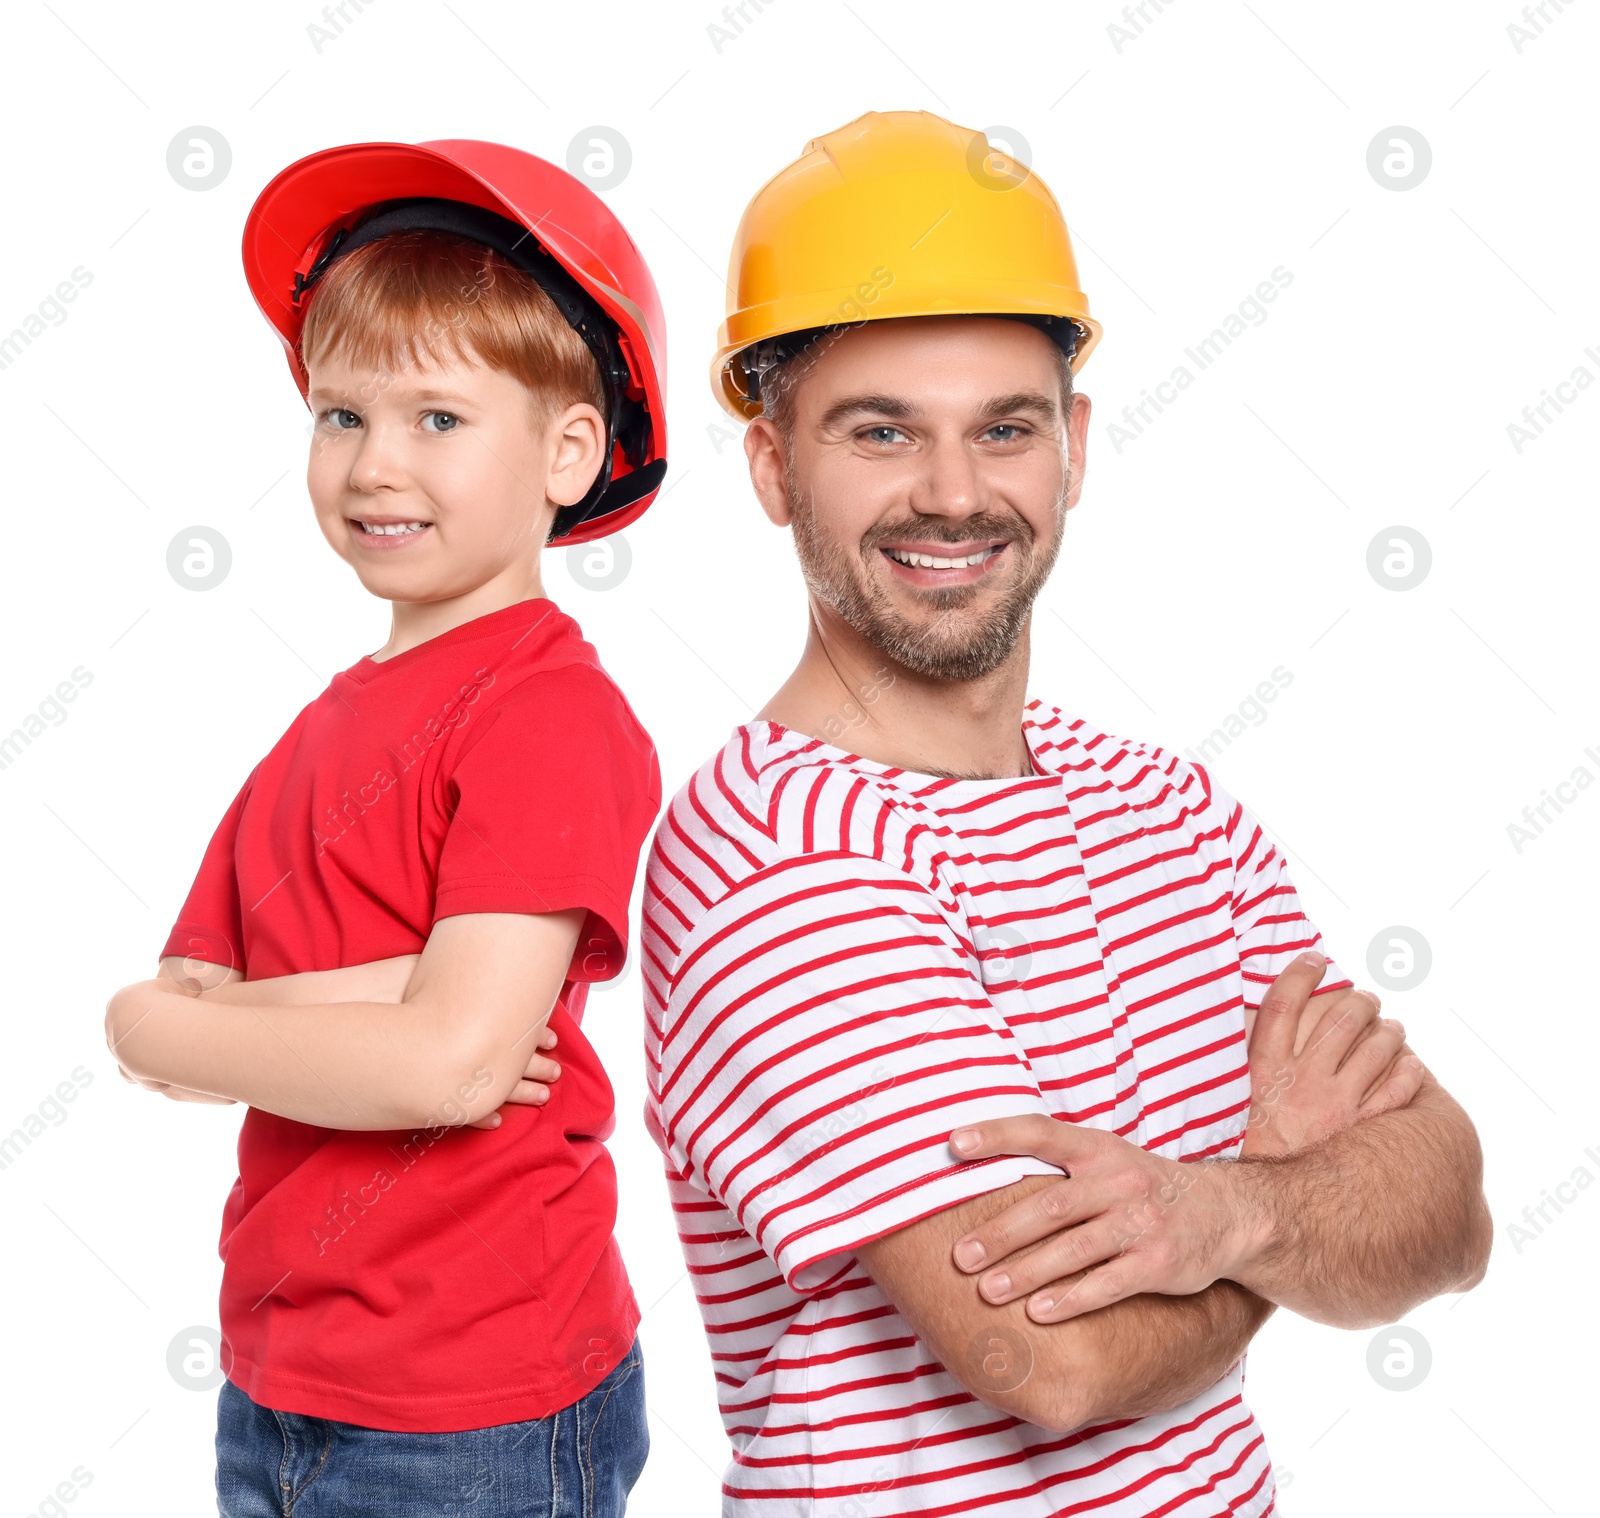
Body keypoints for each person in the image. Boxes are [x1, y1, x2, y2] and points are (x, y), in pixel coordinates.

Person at [643, 110, 1492, 1516]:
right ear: (774, 462)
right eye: (880, 432)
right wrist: (1290, 1185)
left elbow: (1451, 1212)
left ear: (1076, 447)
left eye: (1006, 428)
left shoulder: (1170, 805)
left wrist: (1220, 1210)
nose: (956, 494)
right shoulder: (773, 863)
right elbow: (1049, 1358)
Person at [103, 138, 669, 1516]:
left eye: (437, 417)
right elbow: (161, 1029)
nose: (372, 463)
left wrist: (335, 1027)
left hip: (475, 1405)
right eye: (341, 415)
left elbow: (453, 1069)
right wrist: (394, 996)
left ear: (568, 452)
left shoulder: (547, 714)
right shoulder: (315, 734)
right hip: (280, 1380)